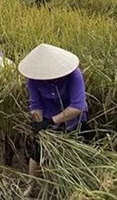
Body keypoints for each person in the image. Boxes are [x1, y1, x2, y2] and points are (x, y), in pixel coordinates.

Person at [18, 43, 91, 196]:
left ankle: (73, 188)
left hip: (74, 118)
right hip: (47, 115)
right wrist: (38, 123)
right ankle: (31, 186)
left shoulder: (74, 75)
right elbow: (36, 104)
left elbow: (77, 106)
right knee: (38, 152)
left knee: (75, 151)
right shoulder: (33, 80)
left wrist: (51, 121)